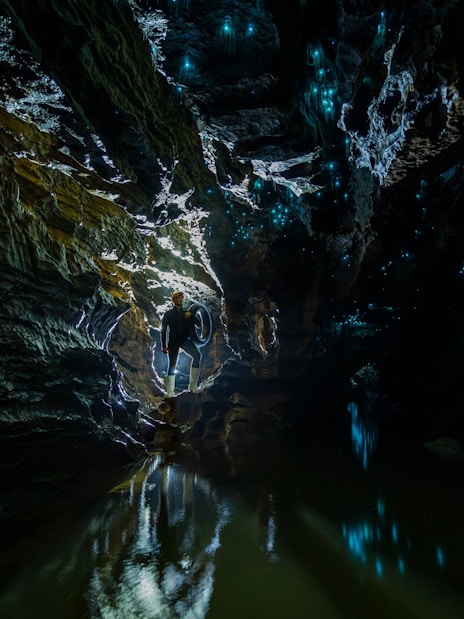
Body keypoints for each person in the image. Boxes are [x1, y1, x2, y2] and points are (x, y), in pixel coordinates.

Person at [161, 291, 202, 397]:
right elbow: (164, 330)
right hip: (173, 341)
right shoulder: (168, 314)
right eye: (178, 298)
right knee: (172, 364)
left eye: (181, 298)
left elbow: (198, 324)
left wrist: (191, 316)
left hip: (185, 340)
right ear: (173, 300)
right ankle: (169, 392)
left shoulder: (186, 313)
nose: (180, 299)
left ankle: (193, 387)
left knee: (197, 356)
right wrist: (164, 345)